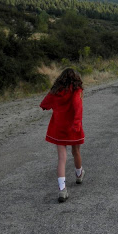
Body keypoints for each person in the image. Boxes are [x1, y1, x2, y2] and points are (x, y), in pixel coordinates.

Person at [40, 68, 85, 203]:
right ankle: (78, 174)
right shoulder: (76, 90)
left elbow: (45, 104)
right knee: (76, 151)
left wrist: (47, 106)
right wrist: (77, 123)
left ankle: (62, 189)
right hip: (73, 127)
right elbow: (78, 106)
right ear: (76, 79)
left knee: (61, 158)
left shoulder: (56, 90)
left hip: (59, 128)